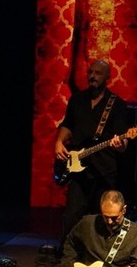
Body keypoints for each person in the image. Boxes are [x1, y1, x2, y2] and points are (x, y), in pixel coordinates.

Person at [54, 59, 131, 248]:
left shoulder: (117, 105)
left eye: (98, 73)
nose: (92, 76)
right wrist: (59, 142)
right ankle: (68, 254)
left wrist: (118, 144)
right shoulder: (77, 99)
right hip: (78, 170)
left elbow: (123, 144)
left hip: (104, 171)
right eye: (90, 72)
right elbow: (68, 125)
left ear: (107, 77)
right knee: (72, 216)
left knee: (102, 218)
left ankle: (99, 255)